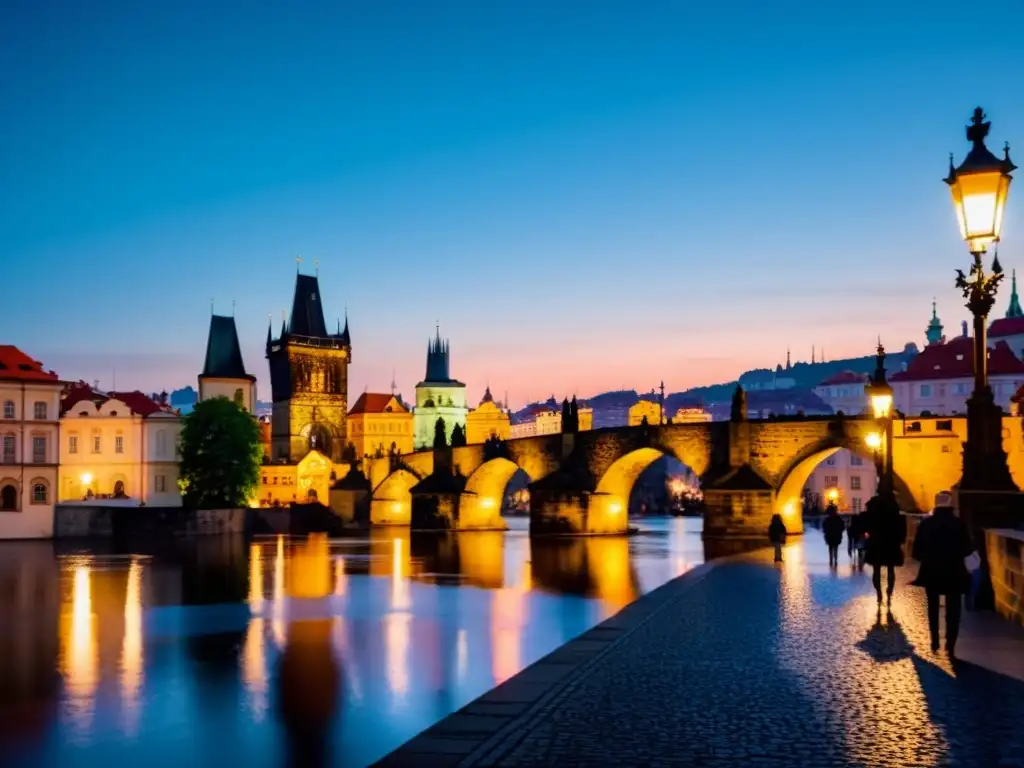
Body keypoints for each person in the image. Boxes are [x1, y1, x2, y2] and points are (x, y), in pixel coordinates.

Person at [911, 491, 975, 656]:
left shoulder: (926, 524)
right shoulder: (958, 524)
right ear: (950, 504)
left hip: (932, 570)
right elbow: (967, 548)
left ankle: (934, 641)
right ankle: (950, 644)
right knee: (953, 609)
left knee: (932, 606)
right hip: (954, 571)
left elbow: (916, 552)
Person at [863, 495, 907, 606]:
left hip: (876, 543)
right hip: (891, 543)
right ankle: (889, 591)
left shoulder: (873, 512)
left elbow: (866, 527)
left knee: (876, 570)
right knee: (891, 569)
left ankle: (879, 593)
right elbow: (901, 528)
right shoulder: (893, 506)